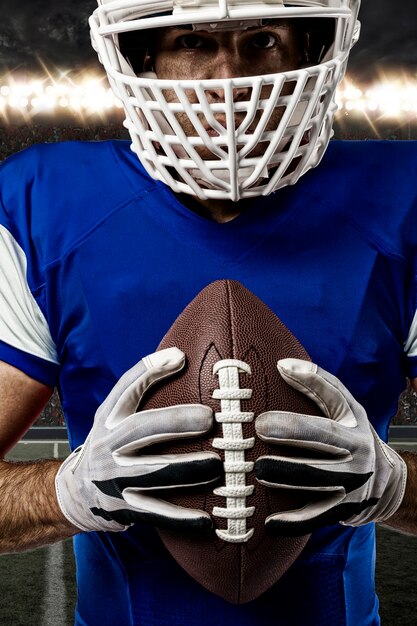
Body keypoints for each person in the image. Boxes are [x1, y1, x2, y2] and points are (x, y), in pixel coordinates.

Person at [0, 0, 416, 624]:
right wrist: (67, 493)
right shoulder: (43, 206)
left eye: (263, 41)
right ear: (143, 59)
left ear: (312, 49)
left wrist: (393, 484)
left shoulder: (405, 199)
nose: (229, 80)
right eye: (193, 40)